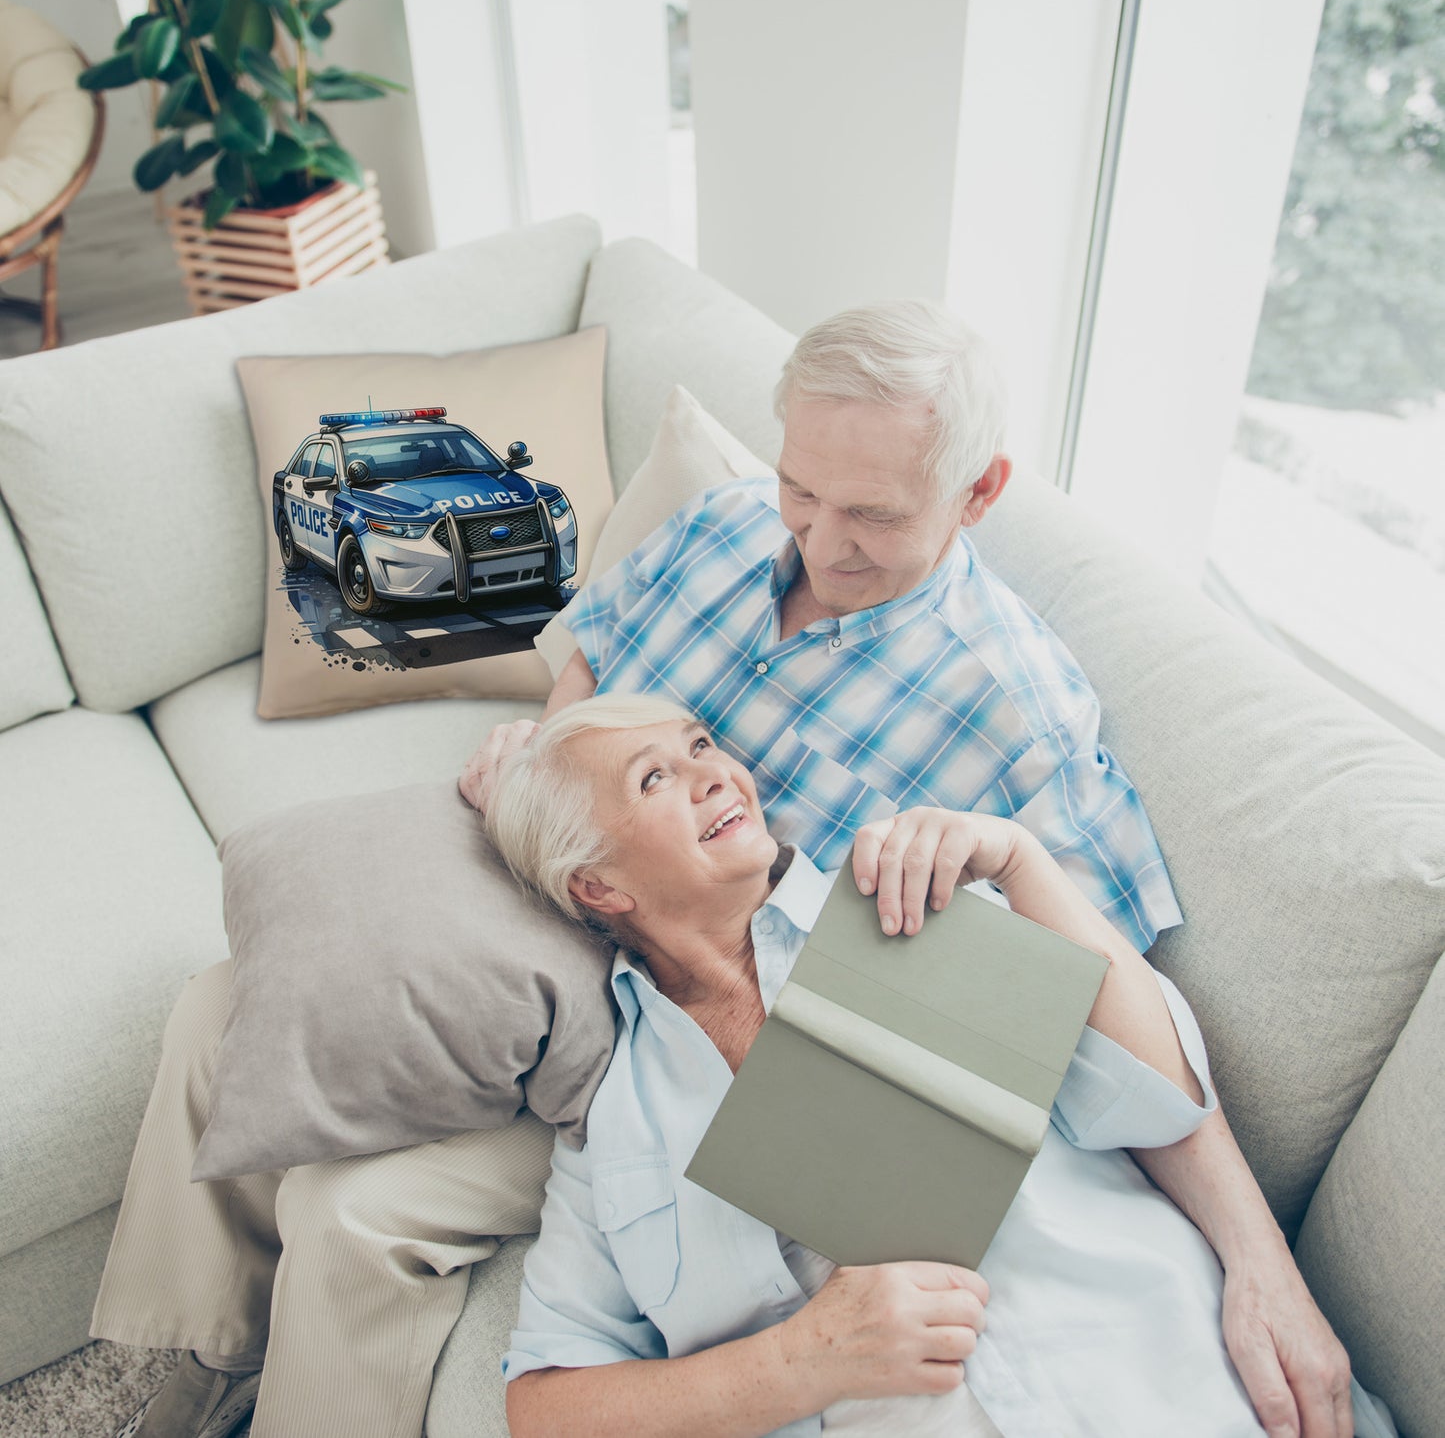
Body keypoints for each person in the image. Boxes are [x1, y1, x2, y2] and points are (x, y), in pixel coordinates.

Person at [94, 302, 1348, 1438]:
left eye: (871, 513)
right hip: (581, 882)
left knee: (355, 1211)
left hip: (693, 1008)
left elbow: (1103, 1014)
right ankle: (192, 1356)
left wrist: (1260, 1260)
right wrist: (545, 758)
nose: (818, 538)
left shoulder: (1016, 717)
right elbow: (592, 665)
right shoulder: (725, 525)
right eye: (804, 488)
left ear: (976, 494)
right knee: (229, 1000)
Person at [487, 694, 1382, 1438]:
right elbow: (544, 1406)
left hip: (1176, 1384)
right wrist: (802, 1360)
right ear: (597, 886)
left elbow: (1158, 1098)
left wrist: (1021, 862)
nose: (714, 772)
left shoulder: (910, 900)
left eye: (700, 745)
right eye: (655, 777)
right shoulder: (614, 1125)